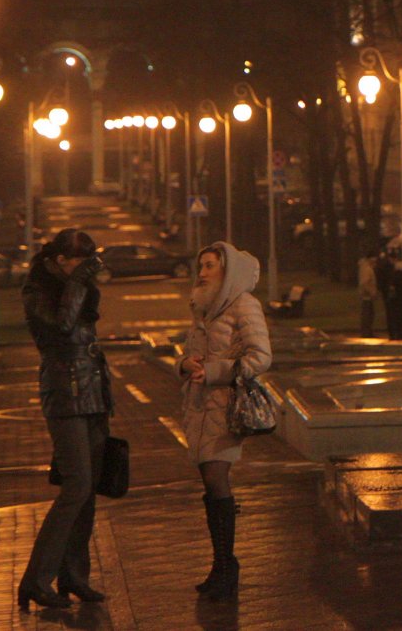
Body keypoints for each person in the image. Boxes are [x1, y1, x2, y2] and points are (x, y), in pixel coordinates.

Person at [18, 229, 111, 612]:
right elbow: (62, 326)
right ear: (59, 260)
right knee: (77, 485)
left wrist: (82, 282)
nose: (86, 269)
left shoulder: (78, 286)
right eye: (79, 262)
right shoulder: (37, 290)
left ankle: (74, 576)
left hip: (93, 391)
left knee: (89, 490)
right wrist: (77, 282)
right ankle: (36, 581)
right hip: (64, 393)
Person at [178, 242, 272, 601]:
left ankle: (226, 566)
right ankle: (221, 566)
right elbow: (189, 351)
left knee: (217, 479)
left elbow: (261, 356)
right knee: (210, 482)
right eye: (200, 265)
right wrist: (184, 364)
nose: (202, 272)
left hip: (225, 407)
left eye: (210, 265)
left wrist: (217, 371)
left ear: (226, 270)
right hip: (198, 406)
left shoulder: (243, 304)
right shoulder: (202, 306)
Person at [356, 245, 380, 339]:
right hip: (367, 296)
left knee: (368, 314)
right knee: (367, 315)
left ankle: (367, 332)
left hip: (367, 296)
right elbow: (365, 283)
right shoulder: (367, 269)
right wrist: (372, 292)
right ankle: (366, 332)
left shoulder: (366, 267)